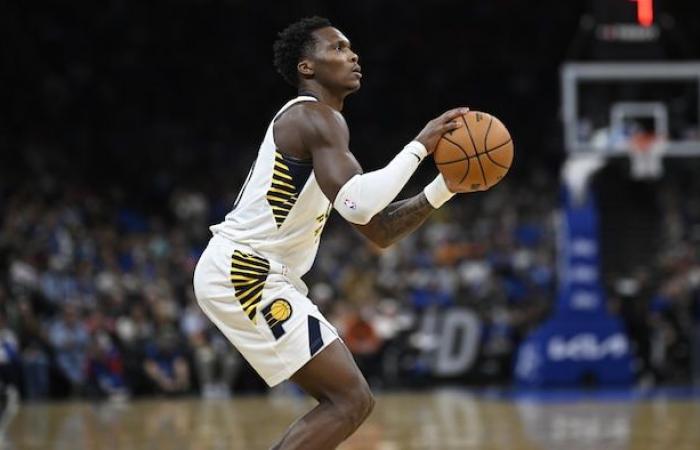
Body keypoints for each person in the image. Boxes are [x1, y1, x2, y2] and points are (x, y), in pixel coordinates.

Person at [193, 16, 469, 449]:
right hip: (245, 270)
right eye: (338, 48)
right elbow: (360, 202)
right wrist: (420, 146)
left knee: (349, 400)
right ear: (307, 67)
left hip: (255, 272)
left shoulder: (327, 135)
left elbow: (377, 229)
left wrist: (443, 188)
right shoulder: (313, 117)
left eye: (351, 47)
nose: (353, 55)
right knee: (350, 400)